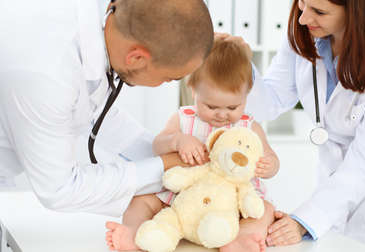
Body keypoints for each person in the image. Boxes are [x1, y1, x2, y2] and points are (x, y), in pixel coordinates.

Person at [235, 0, 365, 251]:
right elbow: (268, 103)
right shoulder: (303, 35)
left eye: (319, 12)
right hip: (334, 179)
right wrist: (240, 65)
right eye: (303, 3)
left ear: (357, 12)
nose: (303, 19)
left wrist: (304, 220)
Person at [0, 0, 213, 216]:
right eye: (169, 78)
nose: (165, 83)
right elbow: (60, 189)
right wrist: (165, 168)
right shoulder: (48, 74)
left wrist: (172, 150)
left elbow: (92, 114)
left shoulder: (102, 26)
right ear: (137, 58)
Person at [105, 38, 280, 252]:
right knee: (140, 200)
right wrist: (178, 140)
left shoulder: (248, 127)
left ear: (247, 92)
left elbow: (270, 157)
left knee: (266, 210)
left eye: (233, 106)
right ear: (193, 88)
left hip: (231, 203)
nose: (222, 114)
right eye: (211, 106)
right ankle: (133, 234)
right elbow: (157, 146)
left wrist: (269, 165)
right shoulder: (184, 118)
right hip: (181, 198)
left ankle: (238, 240)